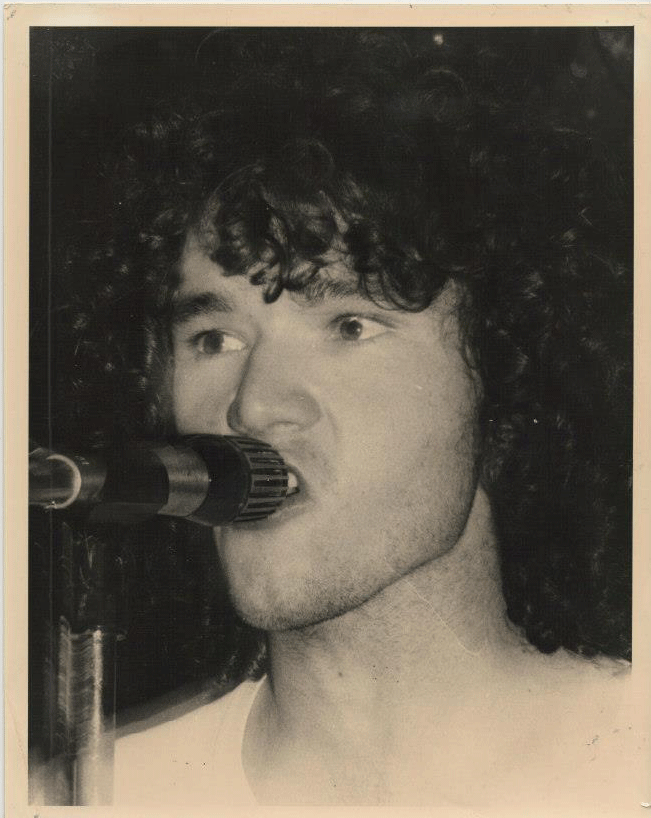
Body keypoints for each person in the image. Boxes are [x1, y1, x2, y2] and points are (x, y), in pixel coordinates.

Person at [42, 29, 635, 810]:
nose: (253, 405)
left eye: (349, 326)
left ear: (500, 371)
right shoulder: (87, 797)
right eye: (215, 339)